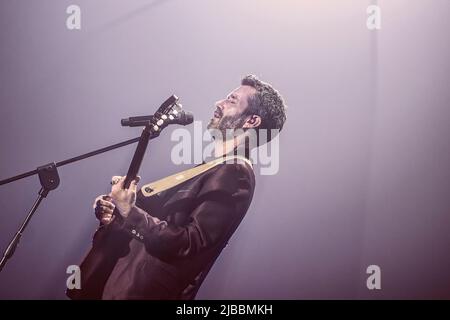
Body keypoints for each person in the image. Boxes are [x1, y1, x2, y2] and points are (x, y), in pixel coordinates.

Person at [67, 74, 287, 300]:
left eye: (231, 100)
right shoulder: (211, 169)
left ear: (251, 121)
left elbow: (188, 243)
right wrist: (115, 214)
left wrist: (129, 212)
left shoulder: (236, 173)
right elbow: (152, 230)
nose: (218, 104)